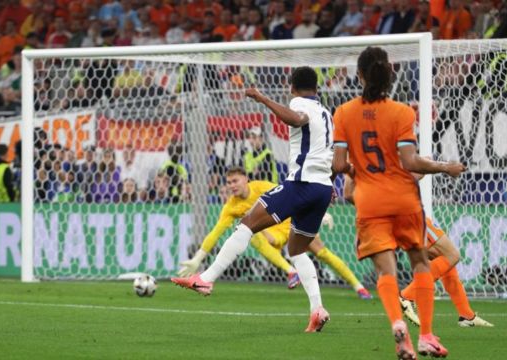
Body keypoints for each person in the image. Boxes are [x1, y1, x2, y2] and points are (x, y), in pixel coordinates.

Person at [173, 67, 335, 333]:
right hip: (322, 188)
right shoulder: (328, 113)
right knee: (297, 250)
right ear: (316, 87)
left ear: (292, 86)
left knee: (247, 223)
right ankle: (317, 309)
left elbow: (296, 119)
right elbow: (330, 152)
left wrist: (262, 98)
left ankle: (206, 278)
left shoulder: (299, 103)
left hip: (302, 184)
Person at [332, 46, 465, 358]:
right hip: (404, 199)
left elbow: (338, 165)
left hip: (369, 201)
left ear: (360, 74)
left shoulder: (344, 113)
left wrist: (358, 169)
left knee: (386, 272)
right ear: (390, 75)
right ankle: (427, 335)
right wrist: (445, 167)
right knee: (419, 262)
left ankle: (397, 323)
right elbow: (410, 161)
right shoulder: (403, 112)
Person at [178, 166, 372, 299]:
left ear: (246, 179)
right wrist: (197, 259)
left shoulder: (261, 187)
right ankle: (290, 272)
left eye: (235, 180)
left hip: (295, 222)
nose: (232, 185)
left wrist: (319, 213)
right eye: (228, 182)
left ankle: (359, 286)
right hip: (275, 236)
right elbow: (215, 233)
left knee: (322, 253)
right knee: (248, 233)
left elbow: (294, 197)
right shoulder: (231, 207)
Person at [343, 175, 493, 328]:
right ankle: (407, 296)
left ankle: (466, 315)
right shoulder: (387, 158)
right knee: (452, 255)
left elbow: (348, 194)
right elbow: (412, 172)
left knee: (442, 257)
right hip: (408, 213)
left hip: (386, 220)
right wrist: (435, 166)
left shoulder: (357, 164)